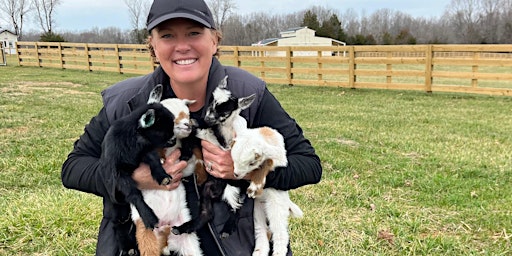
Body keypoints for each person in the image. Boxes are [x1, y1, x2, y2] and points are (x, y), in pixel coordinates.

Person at [61, 0, 322, 255]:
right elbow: (73, 168)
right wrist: (134, 178)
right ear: (152, 45)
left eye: (194, 33)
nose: (182, 46)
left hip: (235, 245)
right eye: (167, 36)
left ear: (214, 40)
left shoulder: (248, 94)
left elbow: (308, 165)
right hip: (152, 241)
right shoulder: (127, 103)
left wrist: (244, 170)